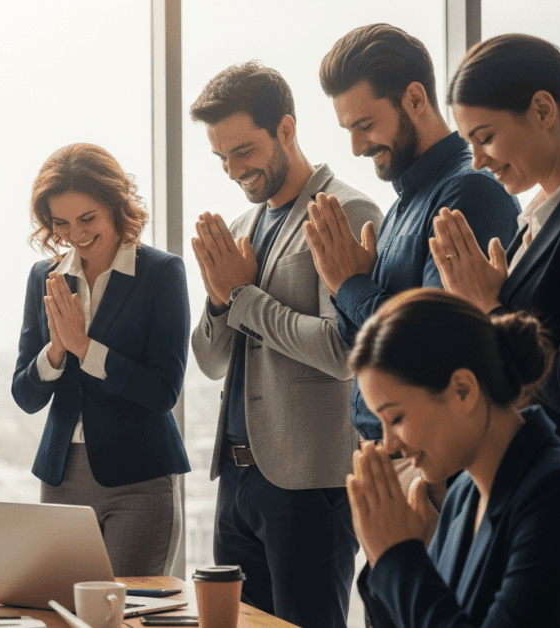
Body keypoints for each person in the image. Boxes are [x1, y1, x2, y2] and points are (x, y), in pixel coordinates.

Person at [187, 62, 382, 628]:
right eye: (221, 157)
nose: (232, 170)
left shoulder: (346, 210)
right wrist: (221, 301)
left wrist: (242, 295)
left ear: (287, 130)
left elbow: (346, 350)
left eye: (243, 151)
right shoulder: (241, 224)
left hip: (308, 483)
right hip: (238, 478)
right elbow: (210, 358)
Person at [312, 23, 519, 507]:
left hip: (429, 469)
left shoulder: (467, 191)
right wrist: (353, 288)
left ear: (415, 98)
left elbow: (431, 346)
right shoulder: (404, 203)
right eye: (348, 130)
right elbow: (361, 348)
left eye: (365, 125)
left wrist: (350, 283)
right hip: (386, 458)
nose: (357, 147)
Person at [346, 288, 560, 626]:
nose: (389, 445)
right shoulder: (463, 494)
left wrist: (398, 557)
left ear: (463, 390)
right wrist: (385, 555)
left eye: (395, 418)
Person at [430, 35, 560, 476]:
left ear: (543, 111)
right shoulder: (537, 217)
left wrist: (491, 307)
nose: (476, 161)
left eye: (485, 137)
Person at [12, 143, 190, 576]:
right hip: (60, 476)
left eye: (87, 218)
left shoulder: (161, 273)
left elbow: (162, 391)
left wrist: (86, 349)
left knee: (125, 614)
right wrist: (56, 350)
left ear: (115, 204)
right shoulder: (45, 277)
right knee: (61, 610)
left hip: (140, 480)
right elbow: (25, 394)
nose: (76, 234)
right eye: (61, 223)